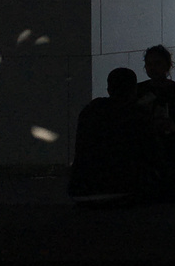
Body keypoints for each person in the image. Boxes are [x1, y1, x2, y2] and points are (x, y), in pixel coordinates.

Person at [69, 67, 164, 207]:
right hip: (122, 191)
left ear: (109, 89)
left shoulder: (90, 109)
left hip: (81, 191)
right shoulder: (138, 115)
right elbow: (154, 155)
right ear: (134, 90)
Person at [136, 45, 175, 204]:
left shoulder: (139, 91)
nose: (152, 68)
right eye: (150, 64)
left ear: (167, 65)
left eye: (157, 64)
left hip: (165, 153)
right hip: (167, 153)